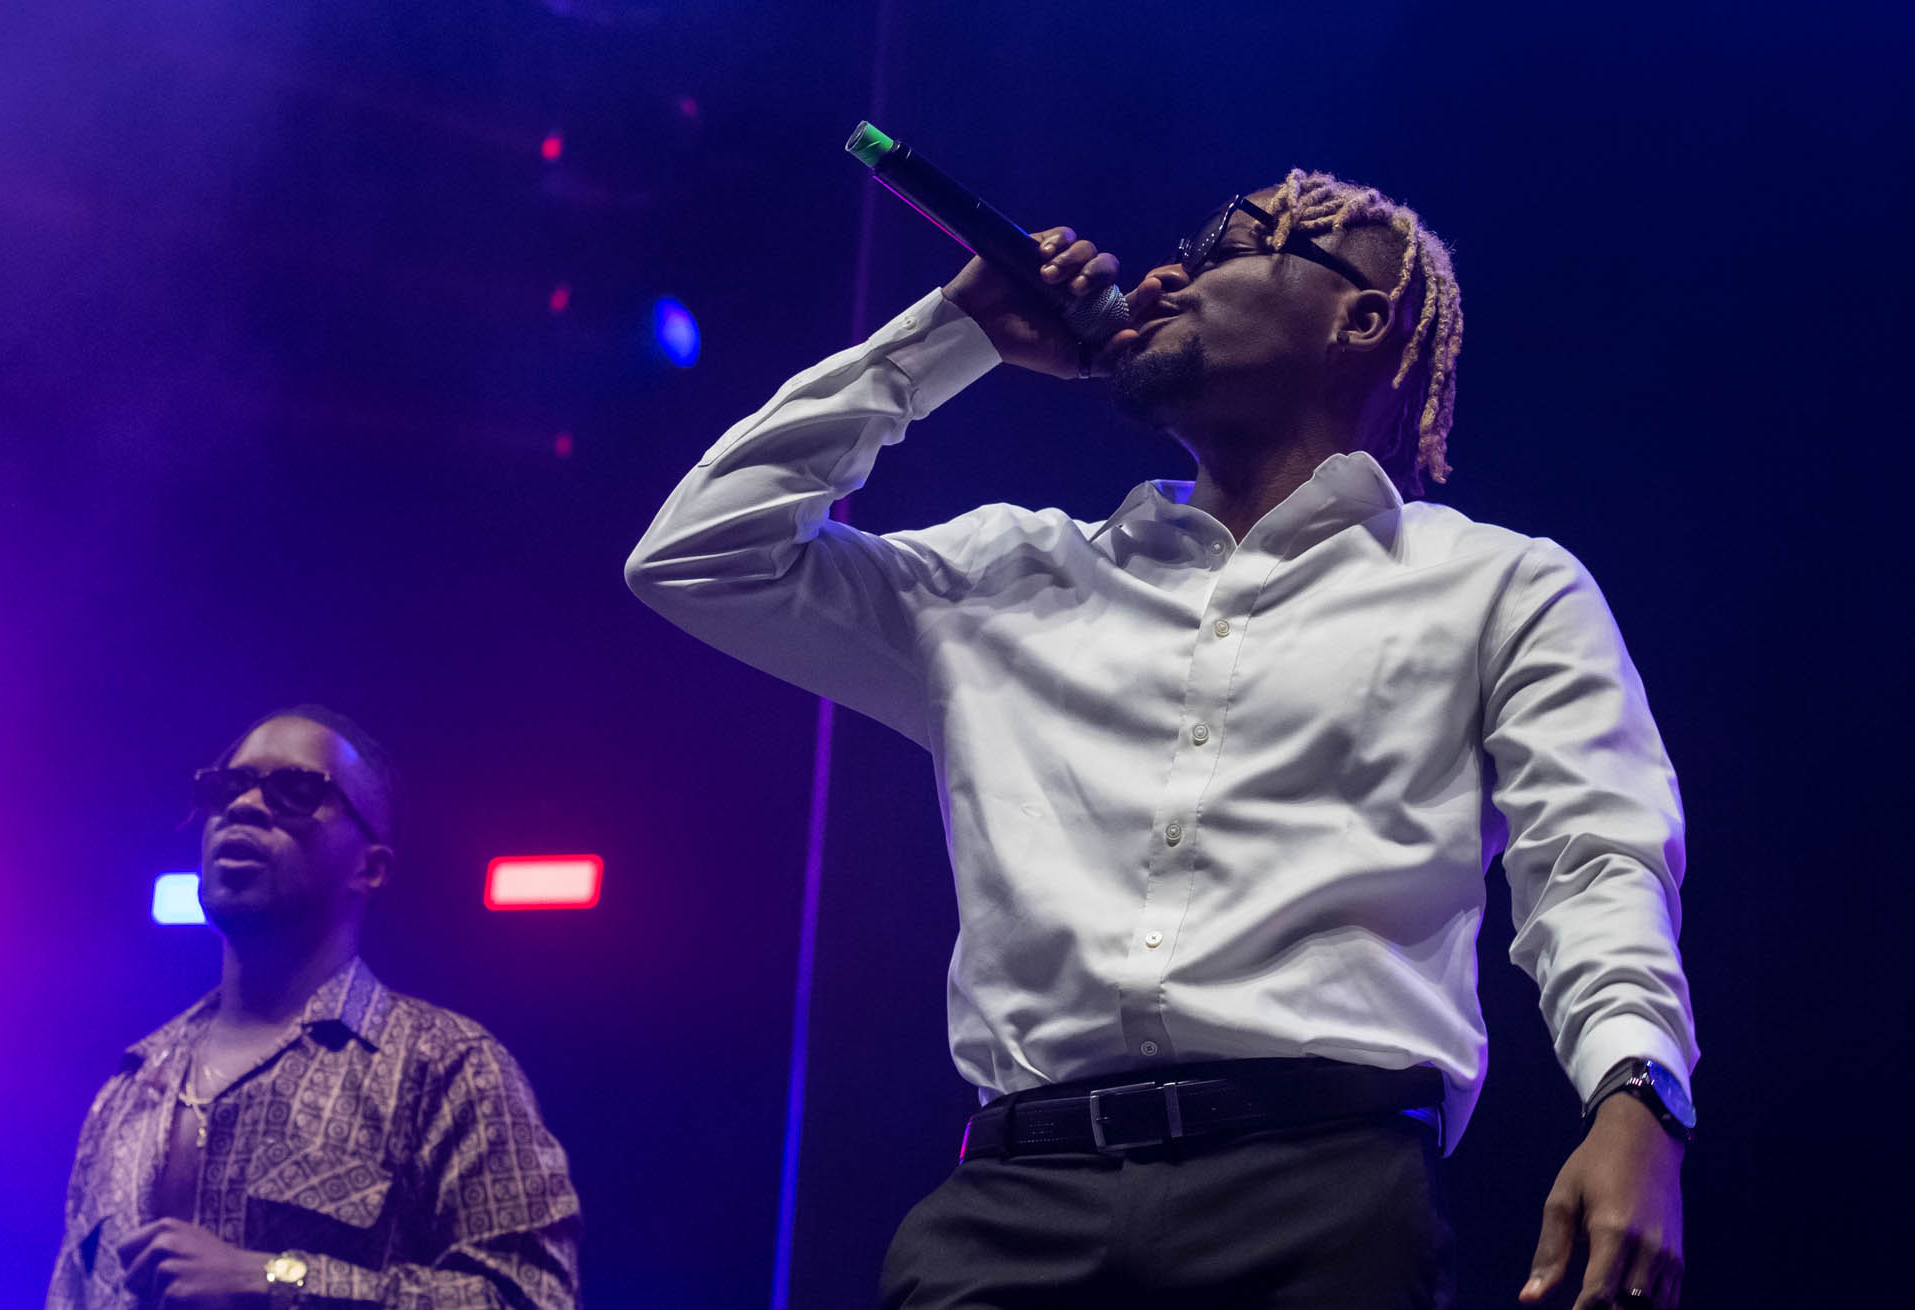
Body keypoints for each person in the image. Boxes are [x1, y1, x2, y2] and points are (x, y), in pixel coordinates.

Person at [626, 169, 1696, 1309]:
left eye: (1236, 244)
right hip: (1012, 1201)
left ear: (1361, 316)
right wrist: (948, 338)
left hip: (1318, 1192)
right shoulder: (1009, 573)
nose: (1169, 270)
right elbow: (697, 555)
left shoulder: (1496, 585)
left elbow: (1592, 856)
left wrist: (1636, 1092)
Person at [48, 707, 581, 1309]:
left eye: (297, 790)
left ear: (370, 868)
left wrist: (277, 1278)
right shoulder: (130, 1086)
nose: (244, 806)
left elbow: (533, 1300)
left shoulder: (447, 1066)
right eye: (226, 787)